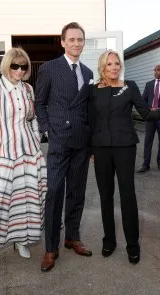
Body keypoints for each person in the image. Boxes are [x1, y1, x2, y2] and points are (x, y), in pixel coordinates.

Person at [89, 50, 160, 264]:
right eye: (109, 64)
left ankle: (132, 245)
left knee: (128, 196)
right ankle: (108, 241)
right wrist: (89, 148)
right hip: (101, 148)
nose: (114, 67)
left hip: (125, 148)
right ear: (102, 66)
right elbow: (89, 120)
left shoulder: (130, 87)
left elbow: (146, 113)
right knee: (106, 196)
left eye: (117, 63)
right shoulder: (92, 91)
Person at [0, 47, 47, 272]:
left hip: (30, 152)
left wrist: (36, 139)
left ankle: (23, 240)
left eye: (23, 66)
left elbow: (32, 119)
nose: (19, 70)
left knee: (28, 199)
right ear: (7, 66)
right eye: (15, 65)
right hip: (6, 154)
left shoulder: (28, 89)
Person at [35, 22, 93, 272]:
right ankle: (51, 247)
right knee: (55, 192)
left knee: (77, 192)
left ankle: (72, 237)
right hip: (59, 139)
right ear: (62, 42)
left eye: (80, 39)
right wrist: (47, 130)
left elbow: (89, 108)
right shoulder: (49, 68)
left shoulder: (89, 73)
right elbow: (39, 103)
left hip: (82, 140)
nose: (76, 43)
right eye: (72, 39)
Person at [137, 65, 160, 173]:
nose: (156, 72)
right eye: (154, 70)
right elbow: (142, 100)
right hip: (150, 116)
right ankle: (145, 164)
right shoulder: (149, 84)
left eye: (158, 70)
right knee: (148, 140)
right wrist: (148, 109)